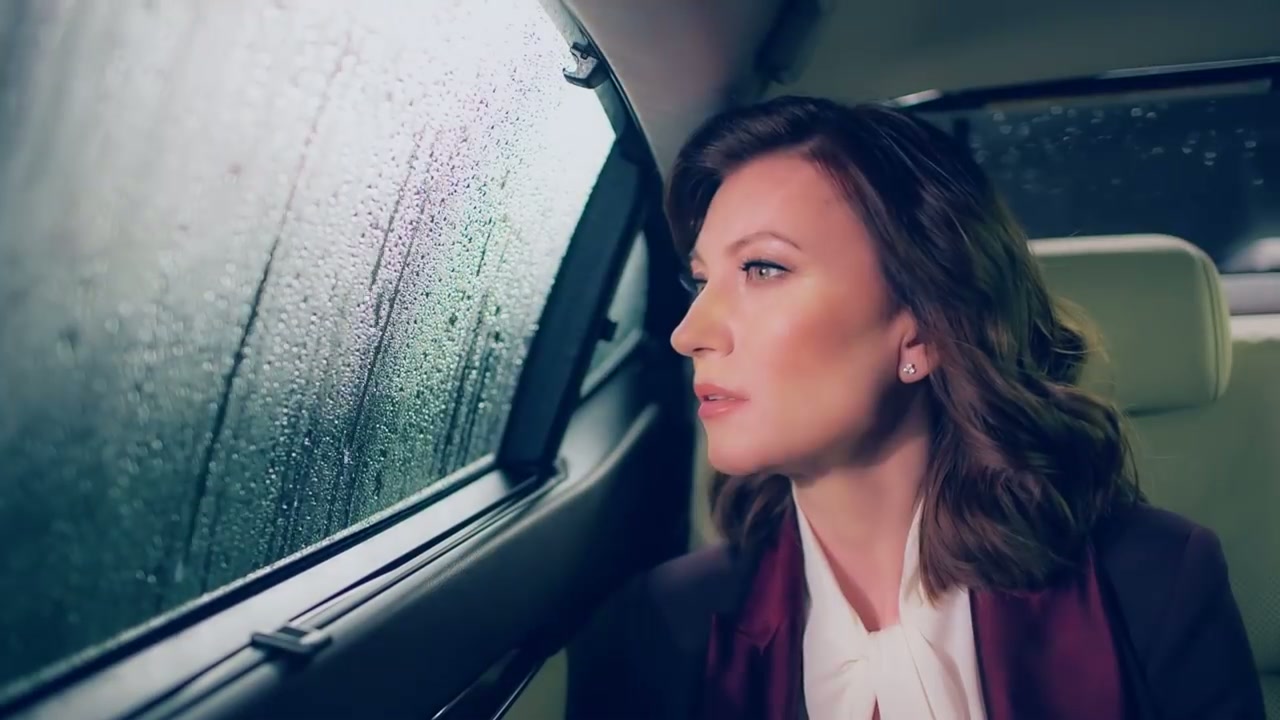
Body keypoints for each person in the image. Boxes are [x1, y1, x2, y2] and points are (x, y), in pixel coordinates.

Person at [564, 96, 1264, 720]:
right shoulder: (655, 632)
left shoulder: (1153, 585)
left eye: (763, 268)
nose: (690, 333)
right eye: (701, 281)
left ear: (923, 329)